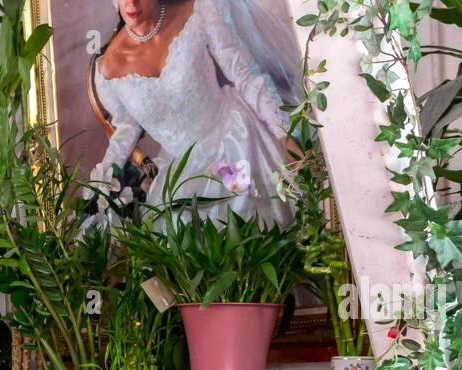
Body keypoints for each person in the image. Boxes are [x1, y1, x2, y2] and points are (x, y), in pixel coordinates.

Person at [91, 0, 303, 225]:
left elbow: (245, 75)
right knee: (183, 232)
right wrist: (99, 189)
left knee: (256, 213)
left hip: (238, 143)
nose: (131, 3)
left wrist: (284, 132)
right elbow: (127, 127)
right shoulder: (106, 71)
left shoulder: (200, 11)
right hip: (182, 176)